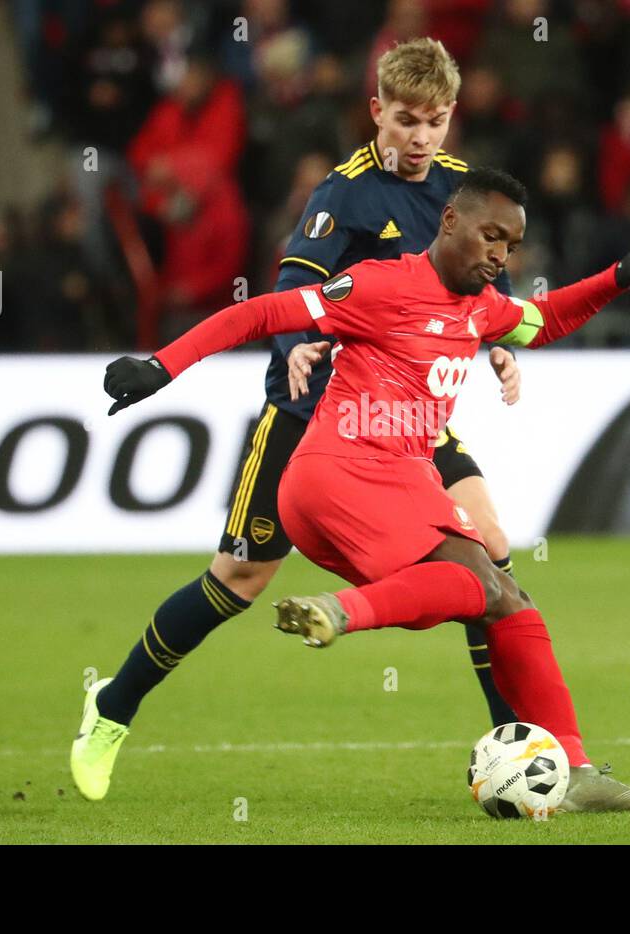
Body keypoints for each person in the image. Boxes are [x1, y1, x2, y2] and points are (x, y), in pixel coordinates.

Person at [87, 168, 630, 812]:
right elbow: (265, 311)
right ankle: (340, 612)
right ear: (450, 222)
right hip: (335, 471)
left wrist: (620, 277)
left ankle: (576, 768)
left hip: (401, 478)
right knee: (466, 580)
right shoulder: (379, 283)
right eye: (490, 236)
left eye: (511, 245)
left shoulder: (480, 309)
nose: (500, 255)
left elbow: (542, 319)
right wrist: (162, 364)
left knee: (505, 595)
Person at [78, 38, 523, 791]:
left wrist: (501, 345)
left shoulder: (461, 192)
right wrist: (296, 347)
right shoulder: (340, 196)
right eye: (407, 121)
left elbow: (470, 295)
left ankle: (519, 740)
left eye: (436, 122)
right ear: (377, 111)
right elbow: (287, 293)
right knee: (239, 580)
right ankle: (113, 707)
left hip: (407, 414)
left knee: (492, 552)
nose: (420, 139)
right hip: (313, 413)